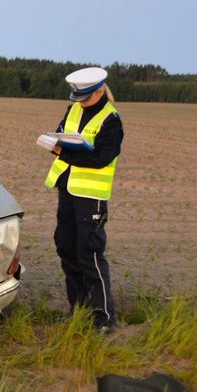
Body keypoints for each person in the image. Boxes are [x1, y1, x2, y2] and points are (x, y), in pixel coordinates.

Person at [43, 66, 124, 331]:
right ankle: (78, 309)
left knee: (89, 253)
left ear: (99, 91)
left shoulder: (111, 120)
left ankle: (104, 319)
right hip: (67, 190)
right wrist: (55, 143)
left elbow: (101, 158)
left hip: (91, 197)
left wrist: (63, 153)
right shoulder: (74, 109)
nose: (80, 102)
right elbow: (60, 133)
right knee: (66, 247)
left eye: (86, 97)